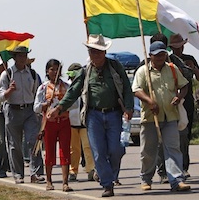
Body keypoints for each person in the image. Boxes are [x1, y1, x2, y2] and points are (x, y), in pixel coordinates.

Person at [47, 34, 134, 198]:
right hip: (93, 115)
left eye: (98, 52)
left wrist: (129, 108)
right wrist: (59, 108)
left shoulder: (115, 67)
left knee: (117, 150)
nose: (95, 55)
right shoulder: (85, 71)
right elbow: (73, 92)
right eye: (92, 51)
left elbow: (127, 89)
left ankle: (109, 174)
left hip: (114, 113)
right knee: (98, 152)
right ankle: (107, 184)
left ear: (104, 52)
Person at [133, 41, 191, 192]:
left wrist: (179, 97)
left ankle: (176, 180)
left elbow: (184, 85)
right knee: (149, 151)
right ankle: (146, 179)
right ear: (150, 55)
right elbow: (137, 90)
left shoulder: (172, 69)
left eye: (162, 54)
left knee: (173, 148)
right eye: (157, 55)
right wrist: (149, 101)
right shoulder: (143, 71)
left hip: (170, 115)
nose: (160, 57)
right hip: (151, 117)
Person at [0, 46, 44, 185]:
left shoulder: (33, 73)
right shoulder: (7, 74)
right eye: (19, 56)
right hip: (13, 110)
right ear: (14, 57)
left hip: (30, 110)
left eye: (24, 55)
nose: (22, 58)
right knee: (14, 144)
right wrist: (10, 91)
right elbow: (1, 96)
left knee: (33, 141)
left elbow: (38, 92)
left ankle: (36, 173)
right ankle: (18, 174)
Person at [34, 59, 76, 192]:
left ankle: (65, 182)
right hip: (49, 124)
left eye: (57, 69)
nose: (55, 72)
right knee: (50, 152)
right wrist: (44, 105)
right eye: (52, 69)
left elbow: (74, 103)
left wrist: (62, 106)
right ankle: (49, 181)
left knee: (64, 151)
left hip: (64, 122)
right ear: (47, 71)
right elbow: (36, 107)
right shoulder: (43, 87)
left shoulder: (67, 86)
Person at [168, 33, 199, 177]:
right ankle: (172, 167)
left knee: (186, 134)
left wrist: (193, 68)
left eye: (181, 46)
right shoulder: (168, 60)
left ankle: (184, 166)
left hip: (187, 100)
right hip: (172, 100)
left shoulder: (190, 59)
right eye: (176, 47)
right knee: (172, 135)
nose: (179, 49)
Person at [65, 63, 95, 182]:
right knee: (74, 149)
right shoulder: (68, 87)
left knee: (88, 147)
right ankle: (73, 171)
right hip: (71, 122)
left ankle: (90, 170)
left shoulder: (87, 85)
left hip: (85, 122)